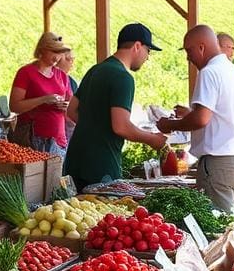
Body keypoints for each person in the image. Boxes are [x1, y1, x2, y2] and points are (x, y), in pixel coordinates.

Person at [155, 25, 234, 211]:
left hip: (218, 163)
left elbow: (201, 119)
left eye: (189, 50)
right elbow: (222, 114)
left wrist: (170, 124)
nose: (188, 57)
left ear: (201, 47)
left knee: (220, 227)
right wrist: (189, 114)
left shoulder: (209, 73)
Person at [64, 23, 167, 190]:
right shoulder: (123, 77)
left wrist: (94, 127)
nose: (147, 57)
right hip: (101, 166)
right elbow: (121, 126)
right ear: (137, 46)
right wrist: (152, 139)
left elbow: (71, 110)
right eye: (148, 51)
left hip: (76, 161)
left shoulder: (96, 69)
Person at [9, 31, 73, 157]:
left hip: (58, 140)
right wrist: (43, 100)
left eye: (60, 53)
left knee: (55, 176)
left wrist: (66, 106)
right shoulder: (26, 72)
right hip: (32, 138)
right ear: (42, 50)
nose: (57, 57)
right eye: (53, 52)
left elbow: (71, 105)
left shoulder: (62, 76)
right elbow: (14, 106)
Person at [57, 47, 80, 144]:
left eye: (73, 59)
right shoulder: (48, 79)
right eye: (69, 59)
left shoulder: (71, 82)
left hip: (69, 132)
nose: (72, 62)